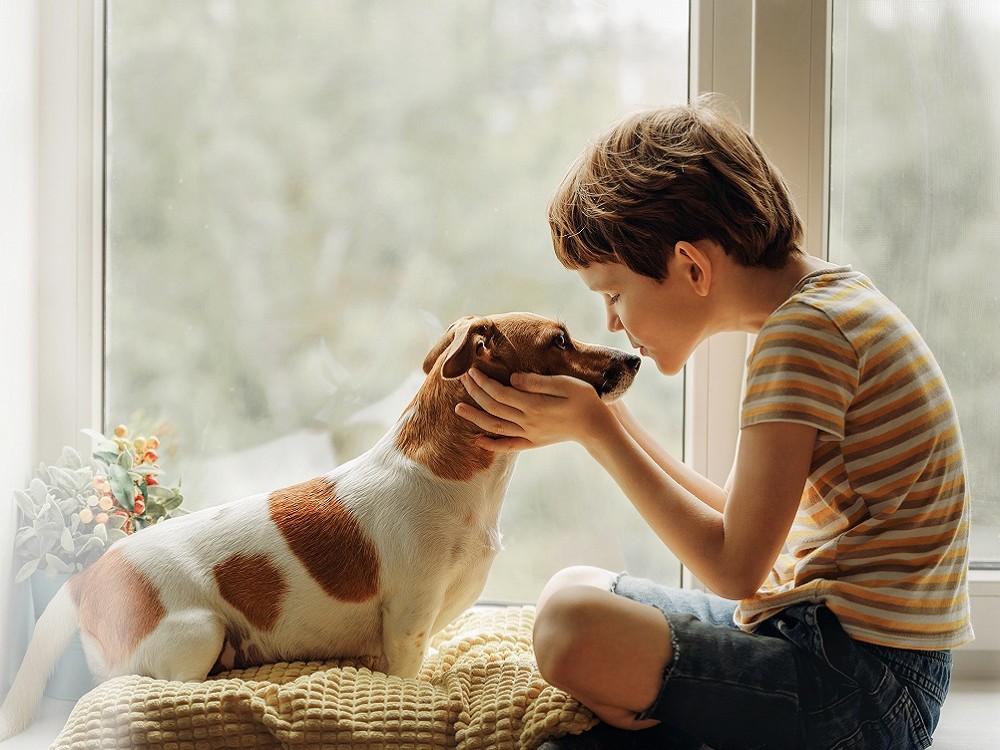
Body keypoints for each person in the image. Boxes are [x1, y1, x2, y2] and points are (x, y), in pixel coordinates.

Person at [454, 96, 972, 750]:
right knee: (573, 587)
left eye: (613, 293)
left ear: (692, 267)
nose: (612, 321)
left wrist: (601, 434)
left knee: (569, 624)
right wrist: (607, 422)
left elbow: (735, 569)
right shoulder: (825, 307)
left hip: (866, 691)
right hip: (844, 650)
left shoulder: (805, 339)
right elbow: (743, 522)